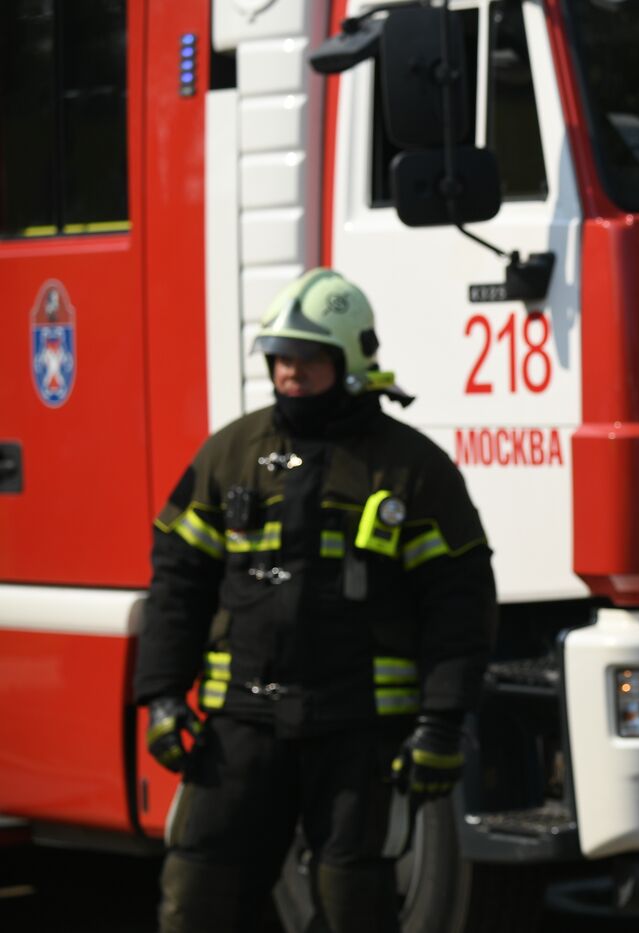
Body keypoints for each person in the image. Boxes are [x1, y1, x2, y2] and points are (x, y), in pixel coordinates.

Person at [134, 268, 498, 933]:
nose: (290, 373)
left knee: (353, 906)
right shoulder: (231, 453)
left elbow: (460, 603)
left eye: (307, 358)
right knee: (196, 898)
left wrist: (443, 722)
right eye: (281, 359)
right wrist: (161, 695)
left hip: (358, 732)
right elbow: (177, 582)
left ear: (351, 359)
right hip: (239, 730)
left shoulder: (411, 467)